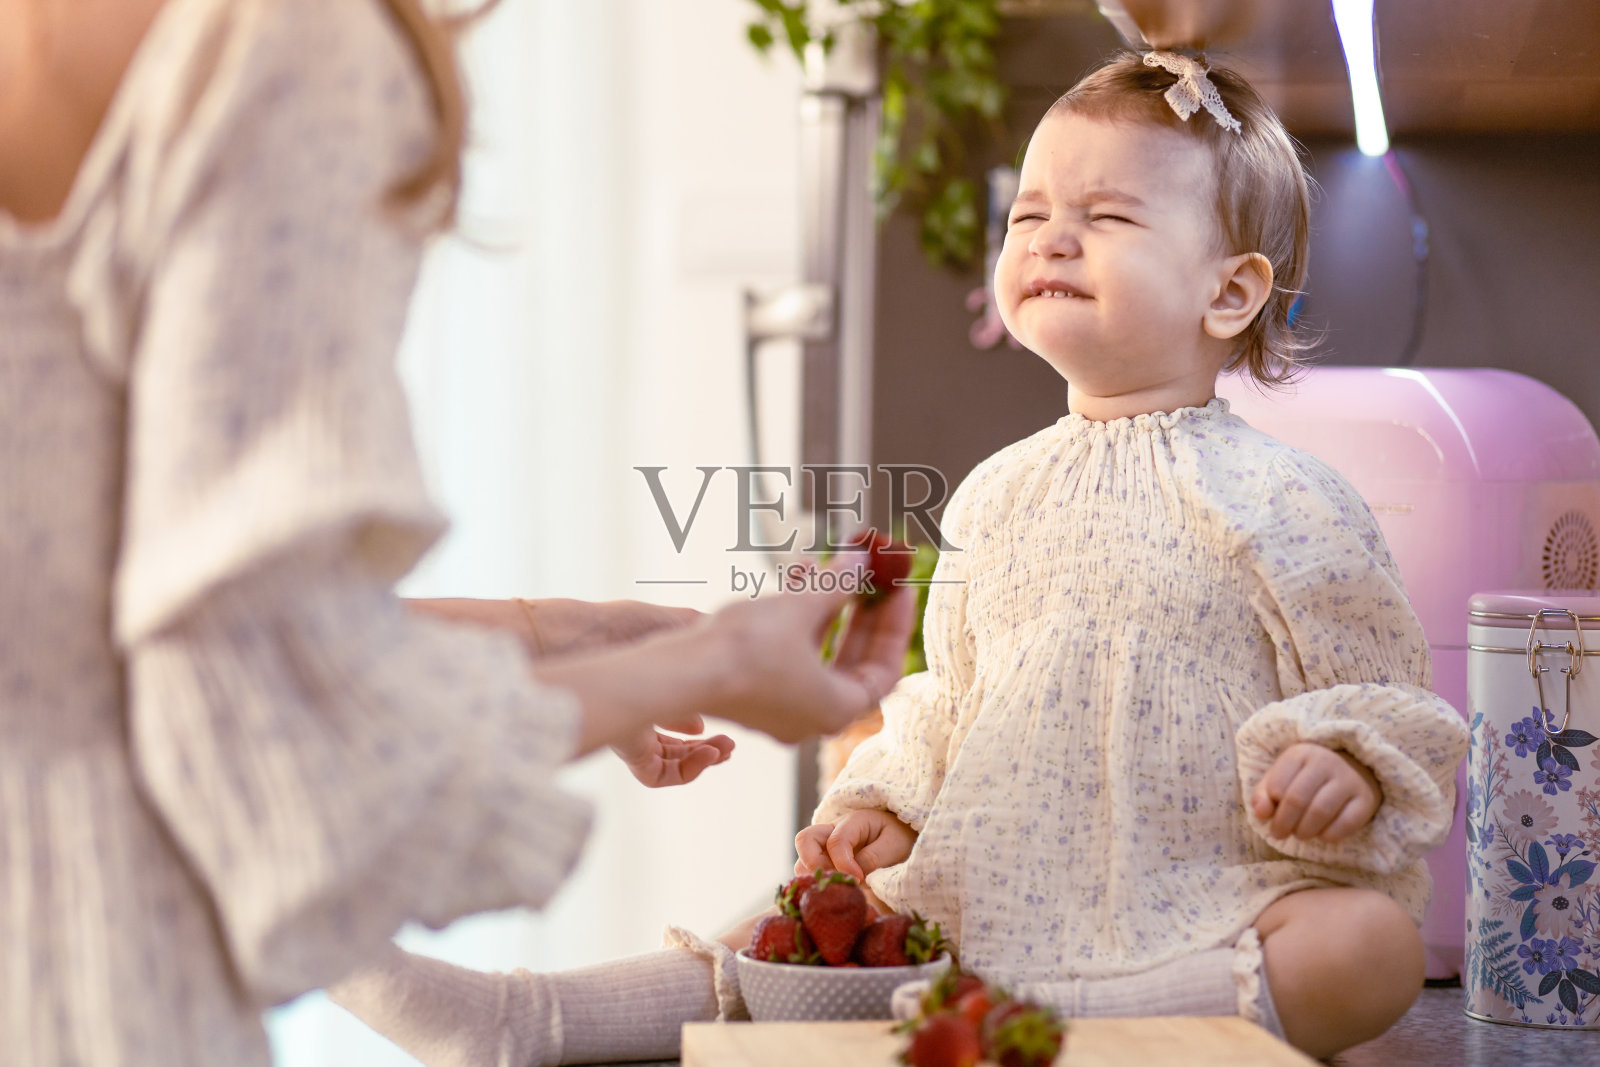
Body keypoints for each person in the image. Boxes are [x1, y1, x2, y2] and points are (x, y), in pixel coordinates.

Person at [327, 49, 1472, 1064]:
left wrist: (1350, 764)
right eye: (1029, 214)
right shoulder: (996, 490)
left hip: (1203, 901)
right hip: (989, 888)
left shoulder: (1292, 498)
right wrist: (883, 798)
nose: (1051, 236)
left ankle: (1048, 1015)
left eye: (1108, 218)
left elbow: (1388, 690)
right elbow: (943, 698)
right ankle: (526, 1022)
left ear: (1229, 292)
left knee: (1365, 946)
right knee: (799, 913)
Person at [0, 0, 916, 1063]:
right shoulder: (294, 41)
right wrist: (705, 662)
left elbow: (74, 619)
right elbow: (274, 747)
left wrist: (540, 632)